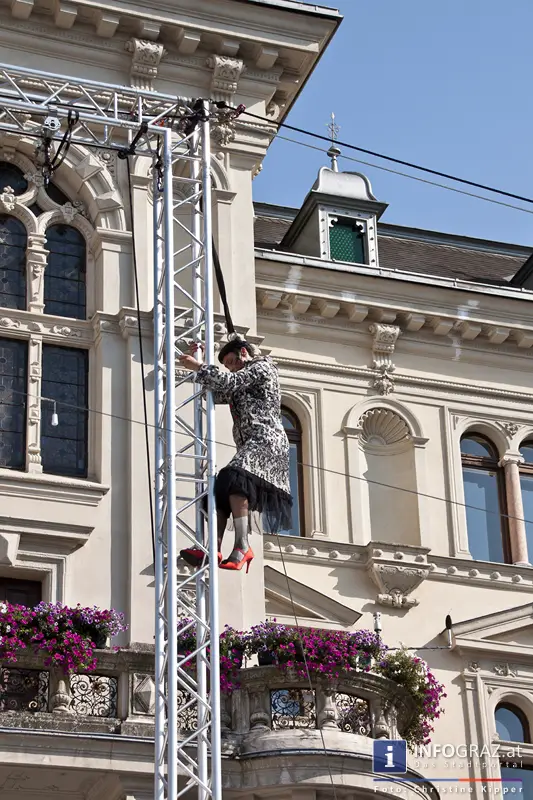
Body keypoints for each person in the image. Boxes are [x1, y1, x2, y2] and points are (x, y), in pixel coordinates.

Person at [178, 338, 293, 573]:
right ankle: (212, 548)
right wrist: (198, 363)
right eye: (227, 365)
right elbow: (216, 393)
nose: (230, 367)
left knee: (235, 479)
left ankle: (242, 545)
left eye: (231, 361)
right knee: (221, 487)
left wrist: (199, 367)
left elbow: (229, 382)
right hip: (251, 444)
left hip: (267, 441)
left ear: (243, 353)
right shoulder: (240, 379)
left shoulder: (261, 367)